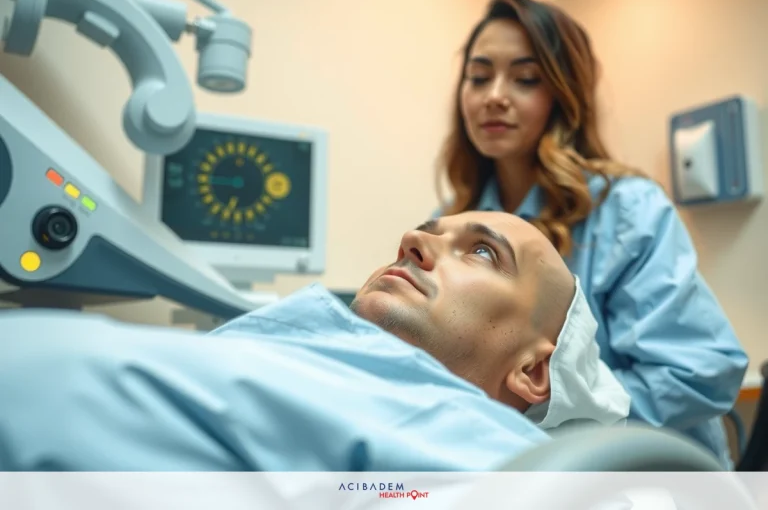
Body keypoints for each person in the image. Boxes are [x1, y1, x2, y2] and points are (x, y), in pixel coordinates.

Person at [0, 211, 629, 471]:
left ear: (533, 373)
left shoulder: (501, 466)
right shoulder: (305, 358)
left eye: (484, 253)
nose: (414, 239)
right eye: (431, 229)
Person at [432, 0, 748, 467]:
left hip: (644, 475)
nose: (494, 95)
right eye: (479, 77)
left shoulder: (626, 209)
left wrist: (539, 412)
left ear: (563, 94)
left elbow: (699, 373)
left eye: (525, 78)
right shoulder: (452, 221)